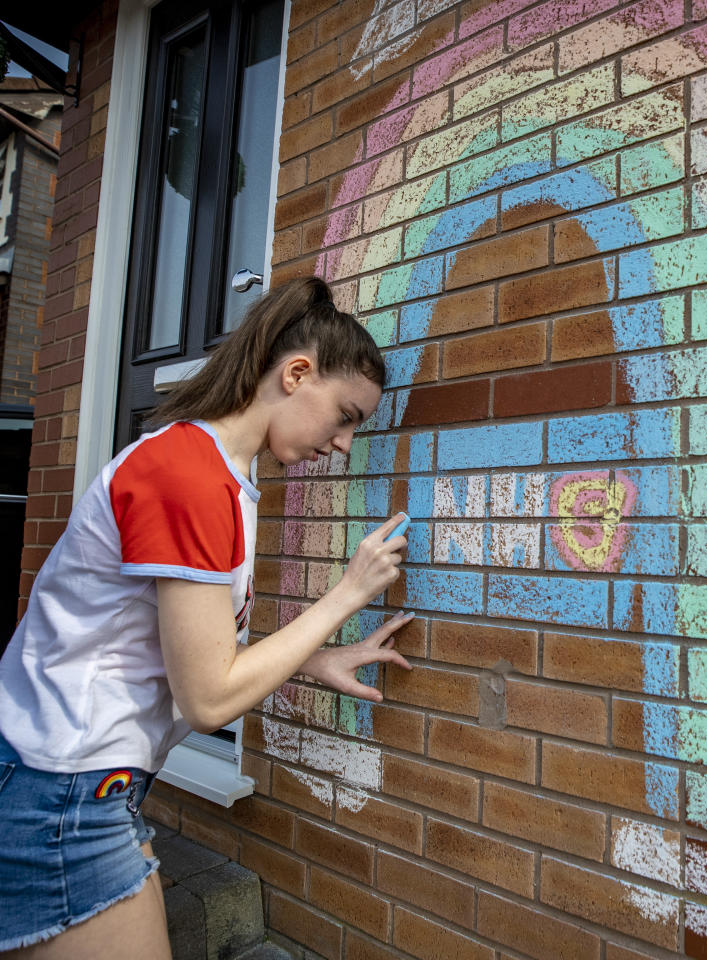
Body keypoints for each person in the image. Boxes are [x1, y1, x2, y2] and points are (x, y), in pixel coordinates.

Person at [0, 278, 413, 958]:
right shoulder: (189, 476)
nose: (342, 444)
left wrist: (314, 659)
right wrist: (347, 594)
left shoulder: (219, 475)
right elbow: (208, 699)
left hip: (80, 787)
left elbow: (187, 651)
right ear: (296, 373)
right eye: (344, 415)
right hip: (64, 795)